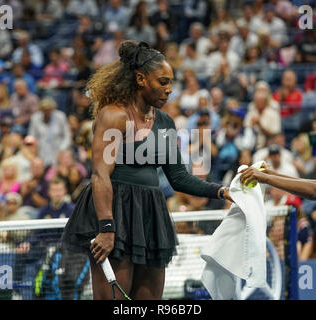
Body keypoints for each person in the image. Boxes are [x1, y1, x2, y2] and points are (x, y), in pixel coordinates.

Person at [62, 40, 232, 300]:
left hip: (150, 216)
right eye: (163, 82)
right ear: (140, 79)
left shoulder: (165, 122)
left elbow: (179, 177)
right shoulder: (114, 115)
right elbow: (100, 174)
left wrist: (222, 190)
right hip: (114, 214)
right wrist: (106, 229)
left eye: (171, 82)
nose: (169, 90)